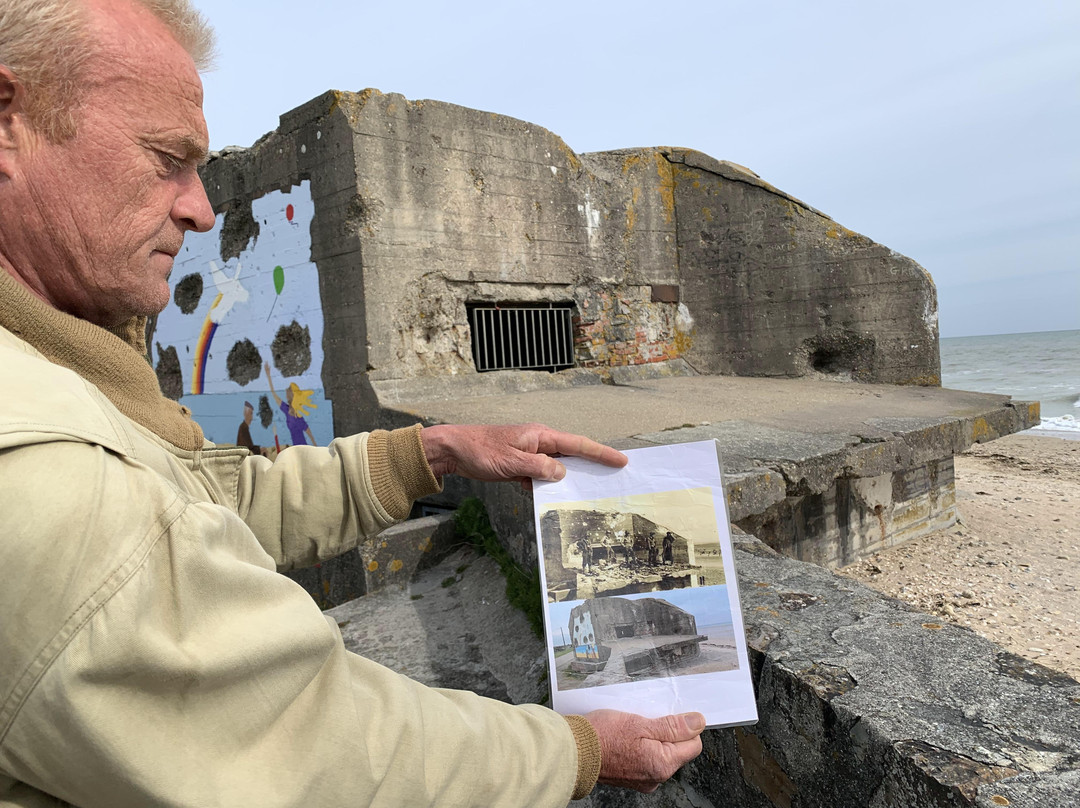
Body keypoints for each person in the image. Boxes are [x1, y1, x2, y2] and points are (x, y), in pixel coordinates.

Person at [0, 1, 705, 806]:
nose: (199, 207)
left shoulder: (67, 362)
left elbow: (208, 504)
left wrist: (431, 452)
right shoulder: (40, 463)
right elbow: (312, 745)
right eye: (166, 158)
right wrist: (573, 751)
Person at [264, 361, 317, 447]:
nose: (285, 393)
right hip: (296, 448)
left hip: (303, 447)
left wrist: (315, 445)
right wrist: (269, 376)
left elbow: (309, 432)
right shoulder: (286, 409)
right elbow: (274, 394)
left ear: (291, 396)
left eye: (288, 391)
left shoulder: (298, 416)